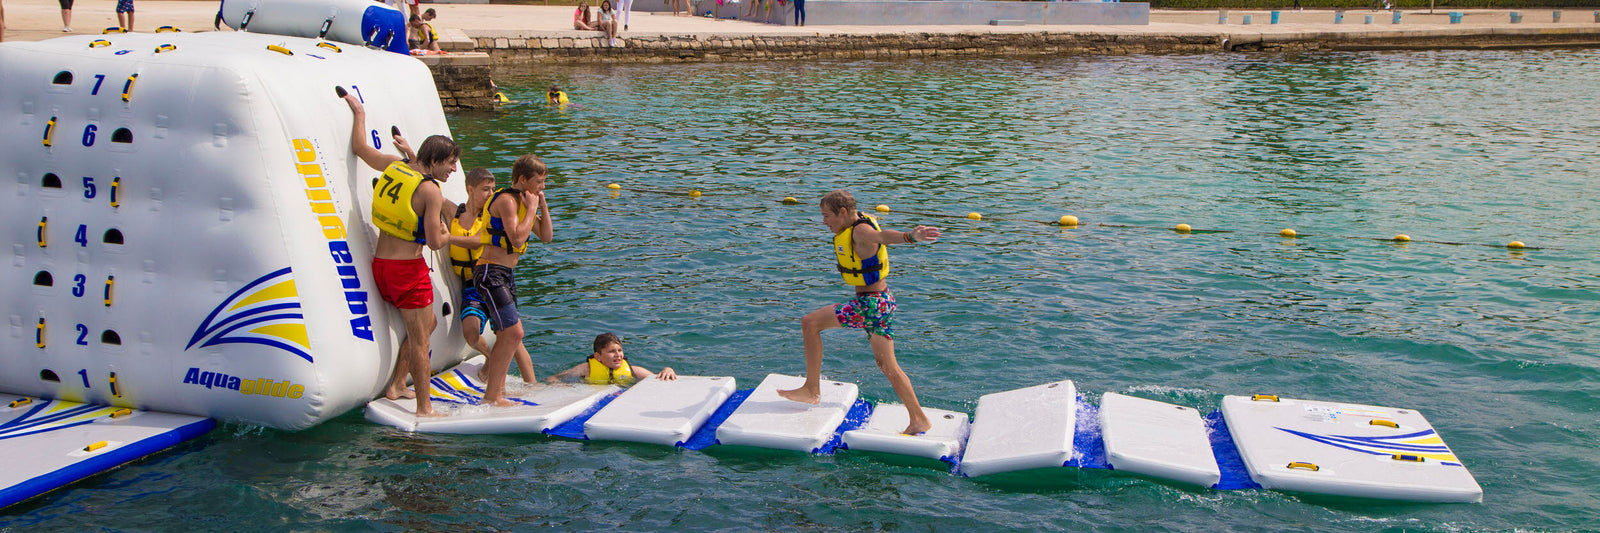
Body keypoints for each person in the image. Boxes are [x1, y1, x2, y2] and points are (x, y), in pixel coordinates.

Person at [776, 190, 941, 436]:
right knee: (887, 365)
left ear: (842, 212)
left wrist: (910, 236)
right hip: (883, 301)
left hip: (870, 305)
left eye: (827, 215)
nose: (824, 221)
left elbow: (883, 236)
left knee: (810, 323)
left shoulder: (861, 231)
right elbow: (870, 221)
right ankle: (918, 418)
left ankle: (811, 389)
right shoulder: (859, 218)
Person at [341, 87, 460, 417]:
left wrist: (359, 114)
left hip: (381, 265)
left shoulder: (395, 166)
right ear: (434, 161)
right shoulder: (430, 192)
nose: (452, 170)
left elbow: (360, 149)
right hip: (408, 271)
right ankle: (425, 408)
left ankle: (396, 384)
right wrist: (450, 232)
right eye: (450, 164)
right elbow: (436, 243)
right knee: (421, 341)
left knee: (431, 321)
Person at [473, 155, 553, 407]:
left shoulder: (524, 201)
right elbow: (517, 239)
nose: (542, 187)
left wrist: (542, 206)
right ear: (522, 179)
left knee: (506, 333)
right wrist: (530, 209)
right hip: (490, 272)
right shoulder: (508, 200)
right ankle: (492, 396)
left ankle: (498, 390)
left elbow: (547, 236)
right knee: (514, 332)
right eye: (538, 182)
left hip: (506, 275)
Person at [446, 168, 539, 384]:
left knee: (514, 335)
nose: (490, 193)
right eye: (485, 189)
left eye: (492, 189)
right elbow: (430, 183)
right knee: (472, 332)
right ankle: (491, 360)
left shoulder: (490, 213)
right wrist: (411, 155)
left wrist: (447, 238)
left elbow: (480, 240)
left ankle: (532, 385)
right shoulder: (455, 212)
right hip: (474, 282)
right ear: (470, 189)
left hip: (494, 276)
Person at [548, 333, 677, 385]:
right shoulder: (586, 369)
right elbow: (556, 378)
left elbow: (656, 378)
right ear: (598, 356)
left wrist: (668, 369)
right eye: (611, 351)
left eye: (620, 351)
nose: (618, 355)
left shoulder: (633, 370)